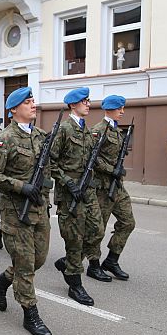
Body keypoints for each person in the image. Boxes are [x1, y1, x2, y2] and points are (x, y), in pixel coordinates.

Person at [0, 87, 53, 335]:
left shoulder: (41, 136)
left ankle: (1, 281)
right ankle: (30, 313)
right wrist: (22, 186)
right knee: (25, 264)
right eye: (27, 102)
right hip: (15, 211)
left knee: (39, 259)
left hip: (38, 207)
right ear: (13, 110)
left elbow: (50, 167)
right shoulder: (5, 138)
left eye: (33, 101)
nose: (33, 105)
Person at [50, 87, 105, 306]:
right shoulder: (64, 130)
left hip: (87, 190)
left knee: (97, 230)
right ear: (73, 105)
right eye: (84, 101)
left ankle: (68, 263)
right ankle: (75, 283)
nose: (88, 104)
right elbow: (50, 162)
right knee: (74, 239)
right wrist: (68, 182)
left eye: (89, 101)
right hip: (70, 192)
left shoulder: (87, 131)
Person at [90, 95, 136, 281]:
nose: (122, 111)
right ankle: (93, 265)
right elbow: (92, 158)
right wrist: (112, 170)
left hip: (117, 187)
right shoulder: (98, 130)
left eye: (123, 108)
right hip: (102, 188)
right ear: (109, 109)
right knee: (98, 229)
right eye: (119, 108)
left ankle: (111, 260)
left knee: (128, 222)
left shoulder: (118, 130)